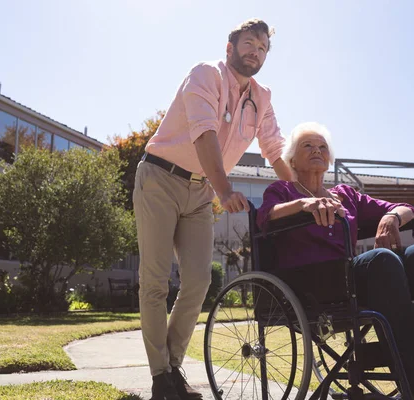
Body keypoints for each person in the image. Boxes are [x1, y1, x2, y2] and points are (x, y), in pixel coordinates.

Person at [256, 121, 414, 400]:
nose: (317, 150)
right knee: (381, 261)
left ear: (329, 159)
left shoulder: (345, 195)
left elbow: (407, 209)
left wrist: (391, 217)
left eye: (322, 147)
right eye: (308, 145)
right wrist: (305, 205)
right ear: (292, 158)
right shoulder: (283, 191)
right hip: (309, 281)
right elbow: (266, 216)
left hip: (353, 278)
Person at [133, 19, 292, 400]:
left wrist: (301, 193)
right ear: (230, 47)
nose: (256, 51)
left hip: (200, 191)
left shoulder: (262, 96)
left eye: (263, 48)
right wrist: (224, 189)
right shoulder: (205, 74)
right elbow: (203, 133)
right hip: (160, 177)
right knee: (154, 282)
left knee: (199, 281)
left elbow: (274, 149)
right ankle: (161, 379)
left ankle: (172, 368)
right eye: (249, 43)